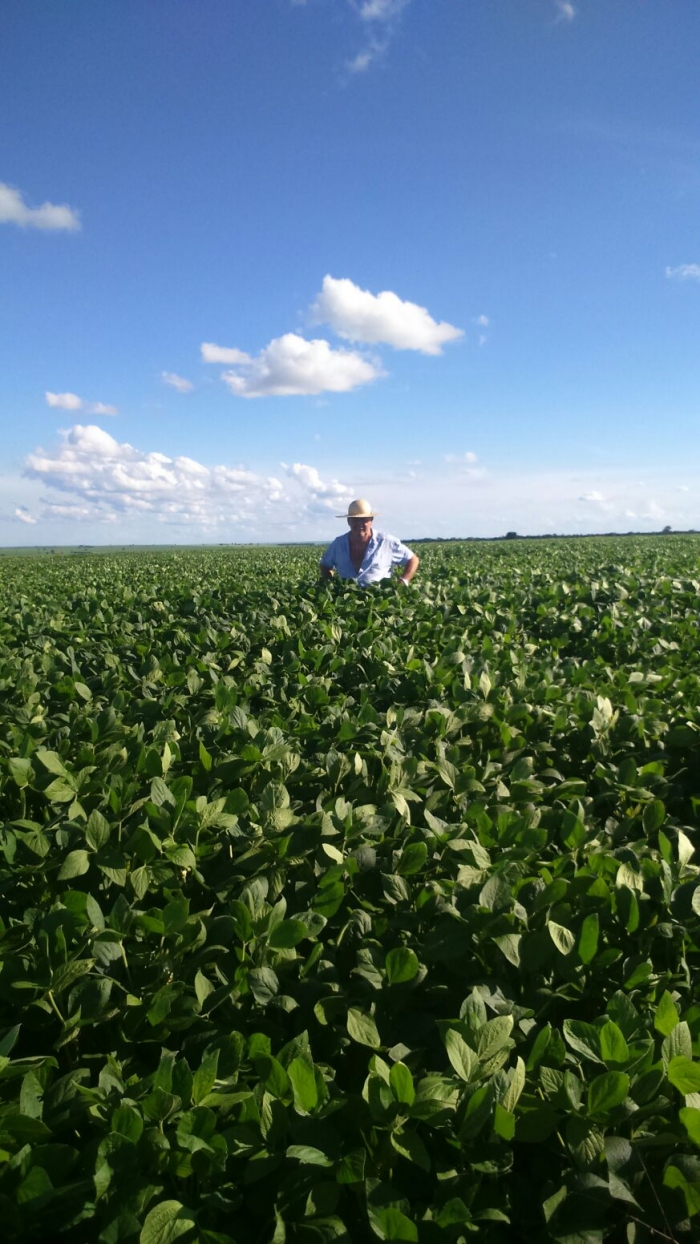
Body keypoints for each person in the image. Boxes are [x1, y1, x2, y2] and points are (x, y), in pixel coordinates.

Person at [319, 498, 420, 587]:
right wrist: (330, 584)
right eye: (355, 520)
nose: (359, 524)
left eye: (363, 520)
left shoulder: (386, 542)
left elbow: (413, 560)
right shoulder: (338, 544)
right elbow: (325, 565)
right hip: (345, 598)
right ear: (348, 521)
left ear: (371, 520)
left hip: (379, 598)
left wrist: (403, 580)